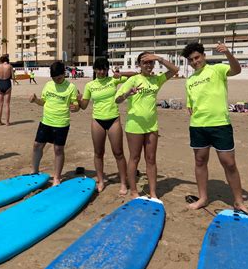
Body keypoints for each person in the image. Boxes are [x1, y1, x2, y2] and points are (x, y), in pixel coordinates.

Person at [181, 42, 247, 212]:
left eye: (197, 57)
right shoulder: (190, 80)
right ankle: (203, 198)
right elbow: (191, 104)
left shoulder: (217, 69)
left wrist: (228, 53)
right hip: (197, 126)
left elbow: (237, 70)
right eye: (191, 60)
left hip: (220, 124)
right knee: (200, 161)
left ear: (203, 56)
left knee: (229, 163)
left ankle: (239, 201)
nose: (195, 62)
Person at [115, 53, 179, 199]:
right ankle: (134, 191)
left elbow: (175, 70)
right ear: (139, 65)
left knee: (151, 159)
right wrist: (127, 94)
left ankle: (153, 192)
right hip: (134, 125)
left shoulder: (156, 80)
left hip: (151, 126)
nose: (148, 65)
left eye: (151, 63)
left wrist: (158, 58)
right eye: (145, 63)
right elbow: (117, 100)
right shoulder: (133, 79)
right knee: (135, 158)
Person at [78, 57, 136, 193]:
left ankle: (123, 182)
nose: (102, 72)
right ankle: (101, 181)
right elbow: (84, 106)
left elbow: (134, 75)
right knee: (98, 153)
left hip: (113, 119)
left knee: (118, 152)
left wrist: (120, 74)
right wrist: (79, 101)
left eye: (104, 69)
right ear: (95, 69)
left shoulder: (113, 80)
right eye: (99, 69)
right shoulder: (90, 85)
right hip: (97, 120)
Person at [30, 61, 79, 185]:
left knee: (58, 149)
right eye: (54, 78)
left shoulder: (71, 87)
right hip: (46, 121)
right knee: (37, 145)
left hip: (61, 123)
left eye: (60, 77)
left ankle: (57, 178)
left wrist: (76, 107)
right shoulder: (48, 85)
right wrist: (36, 100)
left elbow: (76, 105)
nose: (57, 80)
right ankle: (34, 171)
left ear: (64, 74)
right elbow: (43, 102)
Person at [0, 55, 14, 125]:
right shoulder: (10, 66)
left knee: (0, 104)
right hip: (7, 84)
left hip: (0, 84)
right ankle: (7, 122)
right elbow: (13, 77)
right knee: (7, 104)